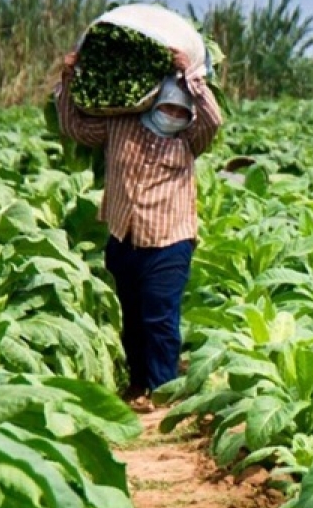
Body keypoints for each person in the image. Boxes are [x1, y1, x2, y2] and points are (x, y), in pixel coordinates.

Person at [55, 46, 223, 411]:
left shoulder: (189, 140)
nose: (173, 115)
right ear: (152, 104)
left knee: (159, 317)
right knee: (130, 315)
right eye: (167, 107)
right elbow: (75, 127)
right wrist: (68, 79)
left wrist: (191, 79)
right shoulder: (120, 125)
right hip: (123, 236)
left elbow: (213, 121)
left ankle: (163, 391)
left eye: (181, 111)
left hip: (169, 240)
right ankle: (137, 384)